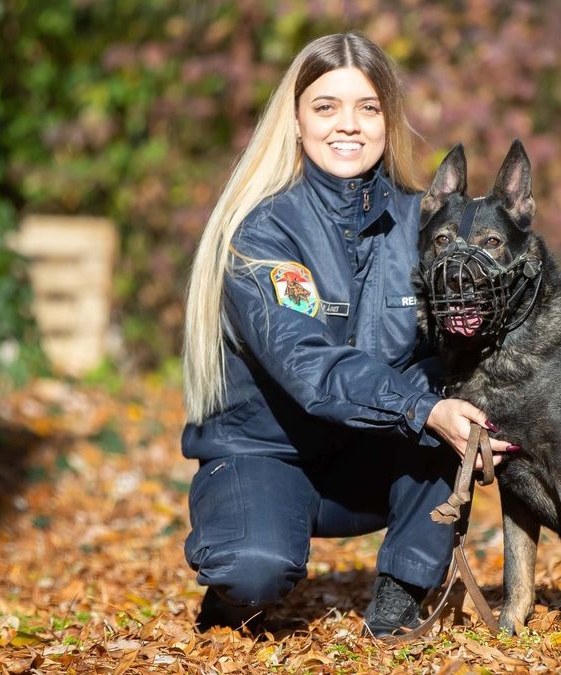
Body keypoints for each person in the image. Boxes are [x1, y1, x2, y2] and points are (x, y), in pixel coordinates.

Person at [180, 32, 515, 638]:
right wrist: (422, 407)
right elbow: (310, 367)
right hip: (269, 452)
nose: (349, 125)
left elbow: (501, 316)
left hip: (372, 464)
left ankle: (400, 597)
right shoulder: (261, 234)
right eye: (326, 106)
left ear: (388, 120)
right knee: (256, 572)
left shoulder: (425, 224)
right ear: (297, 120)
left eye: (368, 107)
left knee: (446, 379)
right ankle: (234, 589)